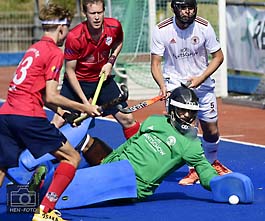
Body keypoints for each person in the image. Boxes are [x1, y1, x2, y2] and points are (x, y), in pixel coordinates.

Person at [0, 3, 101, 221]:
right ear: (62, 28)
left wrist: (65, 115)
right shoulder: (54, 52)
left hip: (6, 113)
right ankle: (44, 211)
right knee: (71, 157)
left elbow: (44, 95)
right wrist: (86, 108)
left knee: (2, 165)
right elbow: (53, 96)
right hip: (28, 116)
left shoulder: (34, 48)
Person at [81, 85, 221, 199]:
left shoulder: (191, 144)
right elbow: (128, 145)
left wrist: (219, 184)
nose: (187, 115)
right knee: (88, 142)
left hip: (133, 186)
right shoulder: (154, 120)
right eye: (183, 110)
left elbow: (205, 170)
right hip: (116, 168)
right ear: (172, 109)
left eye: (191, 112)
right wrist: (105, 165)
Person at [150, 0, 231, 186]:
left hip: (202, 84)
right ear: (174, 8)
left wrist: (201, 78)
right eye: (183, 8)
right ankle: (194, 169)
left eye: (191, 8)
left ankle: (212, 163)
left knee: (211, 130)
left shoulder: (204, 27)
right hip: (176, 85)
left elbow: (218, 57)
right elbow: (155, 63)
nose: (188, 12)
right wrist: (163, 86)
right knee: (188, 130)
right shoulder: (162, 30)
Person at [51, 0, 140, 139]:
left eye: (100, 12)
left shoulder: (114, 26)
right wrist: (85, 104)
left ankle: (139, 156)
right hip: (78, 82)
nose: (97, 17)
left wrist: (110, 62)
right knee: (59, 121)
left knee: (127, 119)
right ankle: (36, 155)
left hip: (102, 79)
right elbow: (69, 71)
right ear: (85, 14)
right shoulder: (75, 37)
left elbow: (118, 43)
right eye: (92, 13)